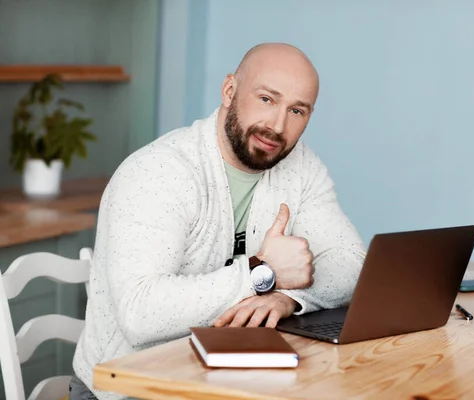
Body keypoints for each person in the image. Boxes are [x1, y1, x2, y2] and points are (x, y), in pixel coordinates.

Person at [69, 42, 366, 400]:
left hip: (230, 376)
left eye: (297, 111)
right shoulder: (157, 171)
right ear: (229, 91)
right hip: (129, 386)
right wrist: (261, 271)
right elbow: (140, 312)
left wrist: (288, 297)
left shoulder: (301, 166)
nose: (277, 126)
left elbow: (351, 263)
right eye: (267, 99)